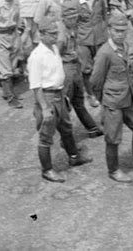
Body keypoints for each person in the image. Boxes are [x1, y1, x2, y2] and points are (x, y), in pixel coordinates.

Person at [90, 11, 133, 182]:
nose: (120, 34)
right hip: (112, 102)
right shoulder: (105, 53)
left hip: (128, 97)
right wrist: (105, 101)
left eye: (123, 30)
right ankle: (113, 170)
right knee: (113, 137)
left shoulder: (125, 47)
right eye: (117, 31)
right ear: (109, 30)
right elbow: (95, 82)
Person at [27, 14, 93, 182]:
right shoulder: (37, 56)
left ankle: (74, 156)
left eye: (56, 33)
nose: (55, 36)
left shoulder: (54, 48)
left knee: (66, 128)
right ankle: (47, 170)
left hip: (59, 94)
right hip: (47, 97)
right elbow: (35, 86)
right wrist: (44, 108)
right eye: (51, 34)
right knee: (46, 135)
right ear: (41, 34)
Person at [56, 2, 103, 138]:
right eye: (70, 18)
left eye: (74, 17)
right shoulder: (61, 34)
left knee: (78, 100)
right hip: (66, 69)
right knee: (66, 104)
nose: (73, 20)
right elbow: (56, 56)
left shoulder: (72, 28)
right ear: (63, 17)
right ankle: (65, 139)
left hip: (75, 66)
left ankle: (92, 128)